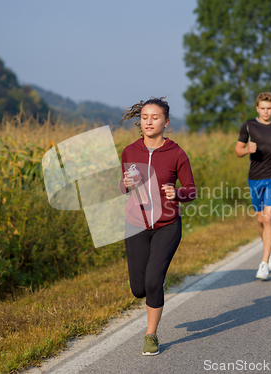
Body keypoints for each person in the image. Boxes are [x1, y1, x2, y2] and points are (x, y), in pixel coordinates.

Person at [119, 97, 196, 355]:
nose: (149, 121)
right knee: (138, 288)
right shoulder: (130, 151)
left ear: (166, 122)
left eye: (155, 117)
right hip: (136, 224)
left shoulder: (176, 153)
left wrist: (178, 194)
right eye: (144, 117)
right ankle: (150, 295)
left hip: (167, 224)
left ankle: (150, 335)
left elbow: (191, 190)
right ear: (139, 122)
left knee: (153, 281)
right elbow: (122, 185)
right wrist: (126, 185)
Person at [235, 92, 271, 280]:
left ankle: (264, 262)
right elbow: (237, 151)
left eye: (269, 108)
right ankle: (270, 246)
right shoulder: (249, 126)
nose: (266, 112)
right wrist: (246, 150)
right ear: (257, 108)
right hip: (255, 178)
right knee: (260, 220)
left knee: (268, 218)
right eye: (263, 108)